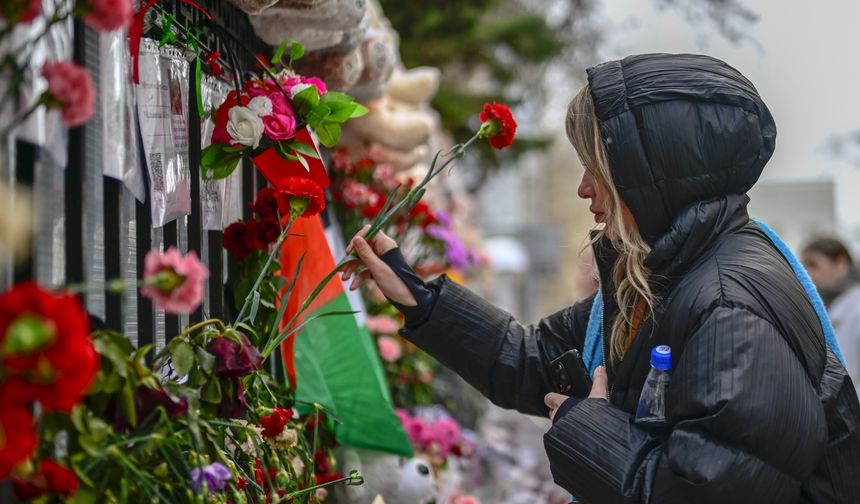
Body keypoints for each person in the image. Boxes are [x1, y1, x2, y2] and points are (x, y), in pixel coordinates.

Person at [341, 54, 860, 503]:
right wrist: (423, 300)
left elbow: (703, 493)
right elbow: (535, 359)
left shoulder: (728, 305)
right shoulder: (666, 275)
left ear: (650, 173)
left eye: (596, 166)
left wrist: (585, 425)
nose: (584, 188)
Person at [803, 237, 860, 386]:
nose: (806, 272)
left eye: (813, 264)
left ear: (841, 264)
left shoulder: (856, 306)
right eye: (803, 265)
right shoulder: (818, 305)